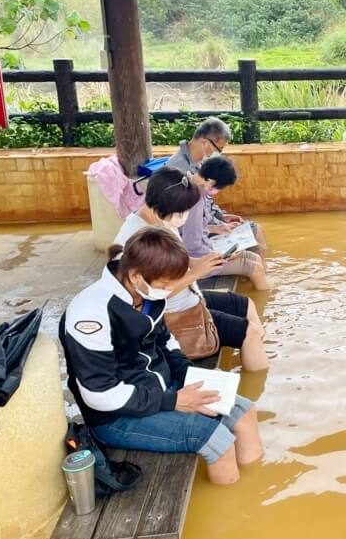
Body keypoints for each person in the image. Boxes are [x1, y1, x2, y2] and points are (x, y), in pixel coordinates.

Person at [60, 227, 262, 485]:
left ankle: (254, 490)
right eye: (165, 285)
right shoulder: (90, 314)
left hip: (163, 388)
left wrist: (190, 375)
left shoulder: (147, 293)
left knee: (245, 413)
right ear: (135, 275)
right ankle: (233, 511)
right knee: (218, 441)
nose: (169, 290)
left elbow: (166, 341)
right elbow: (99, 395)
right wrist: (173, 401)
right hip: (117, 416)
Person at [114, 167, 269, 371]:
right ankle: (258, 382)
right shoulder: (139, 239)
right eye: (182, 211)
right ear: (162, 204)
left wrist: (207, 261)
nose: (185, 217)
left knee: (246, 305)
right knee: (250, 332)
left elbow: (178, 259)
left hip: (190, 295)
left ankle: (254, 354)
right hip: (174, 314)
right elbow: (149, 296)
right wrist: (197, 272)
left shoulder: (159, 220)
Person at [167, 117, 268, 256]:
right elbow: (185, 224)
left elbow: (207, 203)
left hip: (206, 228)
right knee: (253, 250)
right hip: (193, 240)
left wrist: (221, 216)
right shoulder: (177, 169)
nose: (218, 153)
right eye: (219, 149)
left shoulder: (200, 162)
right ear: (205, 142)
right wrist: (215, 227)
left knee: (257, 229)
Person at [181, 155, 270, 290]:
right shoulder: (195, 200)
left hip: (204, 249)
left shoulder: (193, 185)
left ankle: (265, 287)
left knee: (254, 259)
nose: (218, 192)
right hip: (198, 262)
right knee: (254, 267)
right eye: (220, 188)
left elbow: (190, 228)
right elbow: (192, 245)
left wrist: (217, 228)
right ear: (210, 182)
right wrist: (222, 255)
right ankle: (266, 300)